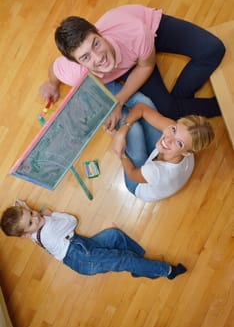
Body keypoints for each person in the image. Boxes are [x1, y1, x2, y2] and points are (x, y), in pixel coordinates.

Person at [39, 4, 225, 132]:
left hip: (148, 30)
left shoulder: (135, 31)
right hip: (131, 62)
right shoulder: (74, 72)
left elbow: (146, 65)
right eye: (85, 57)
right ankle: (224, 105)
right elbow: (55, 68)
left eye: (96, 44)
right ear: (78, 63)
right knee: (169, 110)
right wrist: (51, 84)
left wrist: (119, 100)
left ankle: (179, 101)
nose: (99, 58)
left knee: (213, 49)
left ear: (99, 33)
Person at [0, 200, 187, 280]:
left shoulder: (31, 234)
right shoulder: (48, 227)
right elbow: (72, 220)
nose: (37, 216)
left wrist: (24, 209)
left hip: (81, 247)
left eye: (31, 212)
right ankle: (167, 271)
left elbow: (23, 211)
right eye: (32, 221)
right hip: (82, 257)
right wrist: (51, 214)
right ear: (26, 234)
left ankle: (140, 266)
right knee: (123, 259)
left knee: (114, 236)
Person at [112, 103, 215, 202]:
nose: (168, 139)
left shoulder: (156, 172)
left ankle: (113, 105)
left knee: (134, 129)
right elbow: (141, 108)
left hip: (138, 184)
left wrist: (121, 151)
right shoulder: (184, 137)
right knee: (144, 103)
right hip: (160, 163)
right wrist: (121, 133)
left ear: (187, 153)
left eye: (179, 143)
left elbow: (131, 174)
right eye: (174, 129)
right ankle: (117, 103)